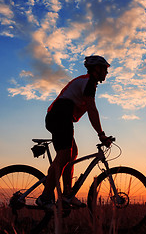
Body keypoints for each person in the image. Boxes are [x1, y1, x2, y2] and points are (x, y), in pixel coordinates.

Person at [36, 55, 112, 208]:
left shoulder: (88, 82)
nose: (106, 73)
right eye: (105, 69)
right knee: (64, 156)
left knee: (72, 154)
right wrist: (101, 134)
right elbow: (92, 109)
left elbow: (90, 109)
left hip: (61, 118)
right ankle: (45, 198)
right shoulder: (89, 81)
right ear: (97, 69)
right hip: (60, 116)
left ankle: (66, 194)